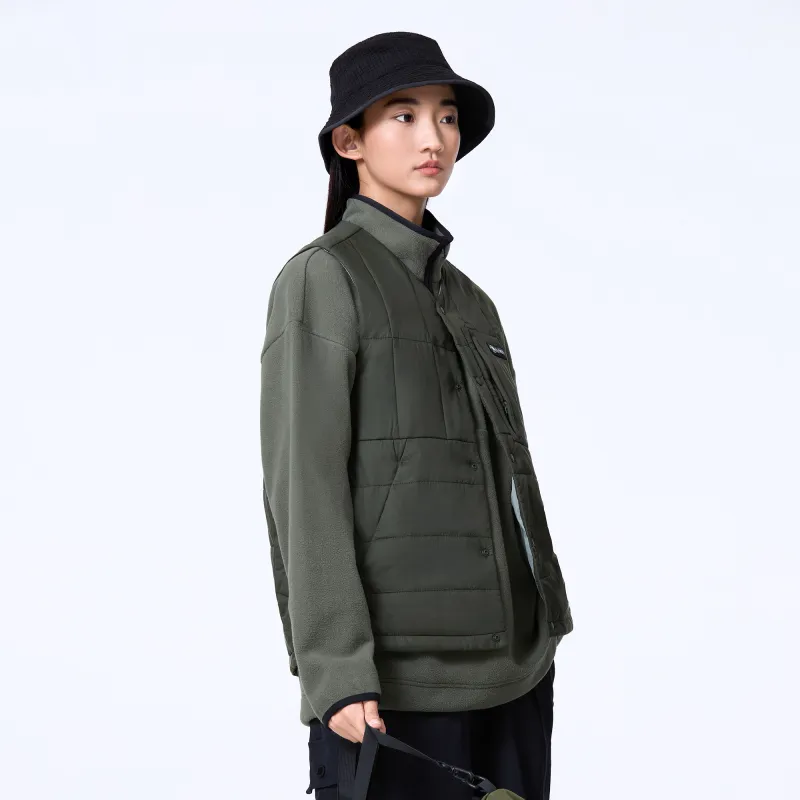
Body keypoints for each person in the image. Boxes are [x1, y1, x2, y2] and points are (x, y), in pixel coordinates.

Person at [259, 31, 574, 799]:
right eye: (404, 116)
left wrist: (545, 627)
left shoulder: (472, 302)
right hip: (394, 689)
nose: (434, 138)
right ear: (350, 142)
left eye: (447, 118)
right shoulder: (324, 278)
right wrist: (335, 669)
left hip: (515, 673)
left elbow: (507, 476)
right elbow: (305, 485)